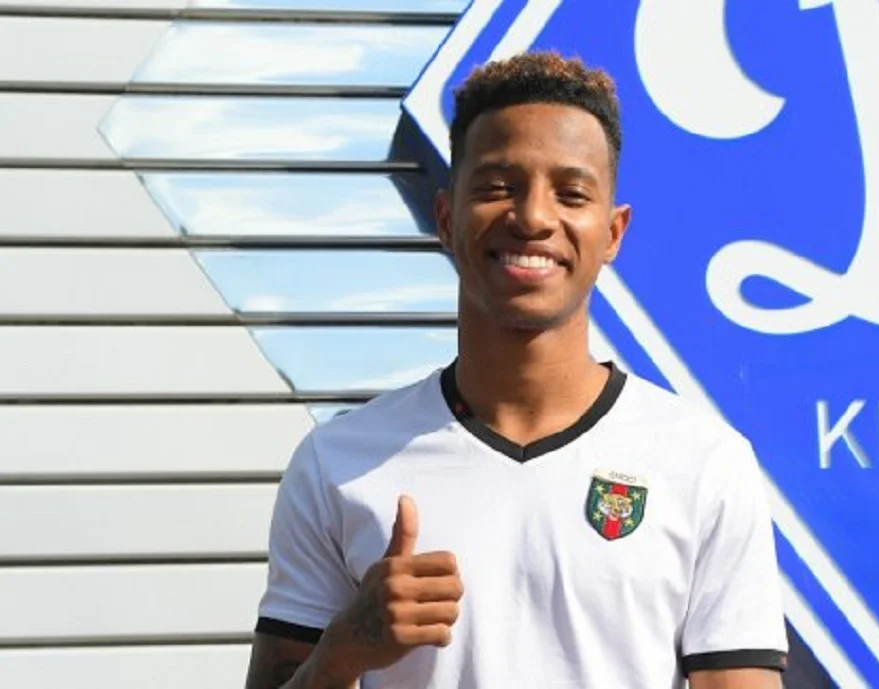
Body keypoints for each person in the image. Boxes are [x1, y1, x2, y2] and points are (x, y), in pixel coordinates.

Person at [243, 51, 789, 689]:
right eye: (498, 187)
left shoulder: (703, 463)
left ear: (613, 233)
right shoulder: (337, 462)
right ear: (446, 219)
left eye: (571, 193)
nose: (532, 218)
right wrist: (344, 650)